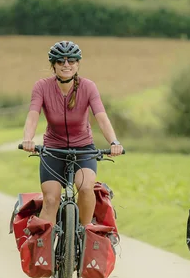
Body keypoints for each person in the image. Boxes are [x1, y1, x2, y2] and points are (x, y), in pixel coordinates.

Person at [20, 41, 123, 226]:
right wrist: (27, 139)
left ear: (78, 64)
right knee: (51, 200)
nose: (66, 65)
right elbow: (33, 116)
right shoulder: (41, 87)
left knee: (85, 188)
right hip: (53, 149)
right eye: (61, 61)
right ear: (54, 65)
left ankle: (86, 231)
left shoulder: (88, 87)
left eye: (72, 61)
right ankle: (46, 251)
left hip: (83, 148)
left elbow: (101, 117)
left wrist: (114, 142)